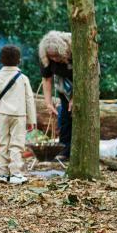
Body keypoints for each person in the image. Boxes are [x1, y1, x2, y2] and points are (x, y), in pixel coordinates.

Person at [0, 44, 36, 184]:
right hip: (19, 115)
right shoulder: (23, 78)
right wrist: (31, 119)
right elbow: (29, 99)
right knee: (17, 144)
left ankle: (2, 173)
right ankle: (15, 174)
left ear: (0, 60)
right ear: (19, 61)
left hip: (2, 114)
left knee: (2, 143)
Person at [38, 31, 72, 159]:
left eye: (57, 56)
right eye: (51, 57)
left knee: (78, 115)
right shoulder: (45, 56)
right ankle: (65, 150)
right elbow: (46, 79)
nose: (54, 59)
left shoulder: (74, 48)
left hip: (82, 84)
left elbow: (83, 77)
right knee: (65, 115)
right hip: (64, 86)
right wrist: (48, 103)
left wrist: (75, 98)